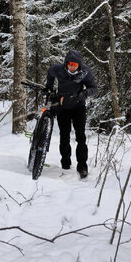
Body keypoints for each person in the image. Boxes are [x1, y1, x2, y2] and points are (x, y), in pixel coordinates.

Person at [45, 49, 96, 179]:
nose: (72, 67)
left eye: (75, 65)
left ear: (79, 65)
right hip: (63, 107)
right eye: (70, 64)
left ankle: (82, 166)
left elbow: (93, 88)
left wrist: (83, 94)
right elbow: (50, 73)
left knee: (81, 136)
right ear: (66, 63)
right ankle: (65, 163)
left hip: (78, 107)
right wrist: (49, 87)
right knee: (64, 135)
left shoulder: (85, 72)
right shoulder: (59, 69)